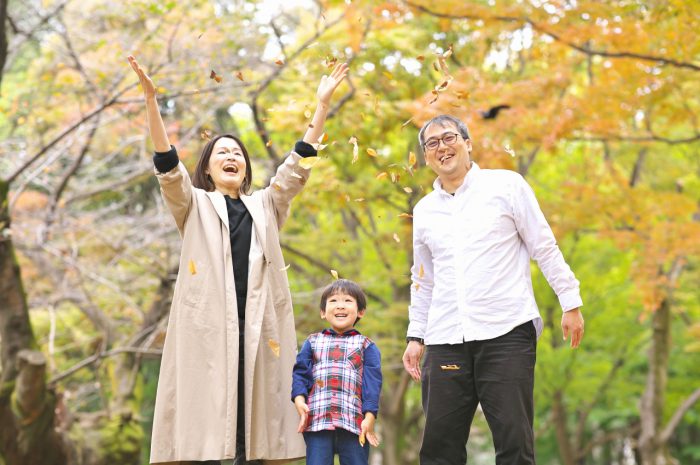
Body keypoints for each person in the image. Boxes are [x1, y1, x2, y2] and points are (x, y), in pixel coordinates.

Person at [127, 55, 348, 464]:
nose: (232, 155)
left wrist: (321, 106)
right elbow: (167, 166)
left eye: (238, 152)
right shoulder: (192, 204)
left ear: (244, 167)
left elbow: (299, 165)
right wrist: (151, 100)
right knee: (210, 431)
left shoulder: (266, 204)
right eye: (221, 152)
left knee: (256, 429)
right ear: (208, 170)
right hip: (209, 329)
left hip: (260, 328)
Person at [402, 114, 585, 465]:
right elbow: (422, 278)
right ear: (426, 157)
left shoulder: (507, 186)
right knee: (439, 448)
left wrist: (570, 301)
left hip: (506, 332)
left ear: (468, 143)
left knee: (514, 443)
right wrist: (416, 335)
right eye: (432, 143)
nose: (442, 147)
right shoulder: (424, 211)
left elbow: (543, 246)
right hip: (445, 338)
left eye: (449, 137)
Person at [291, 279, 382, 465]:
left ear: (361, 311)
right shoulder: (312, 342)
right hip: (318, 421)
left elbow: (372, 385)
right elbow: (300, 374)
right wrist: (299, 400)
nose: (340, 306)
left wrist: (370, 417)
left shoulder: (367, 346)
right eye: (333, 301)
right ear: (323, 312)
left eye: (348, 301)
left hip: (354, 423)